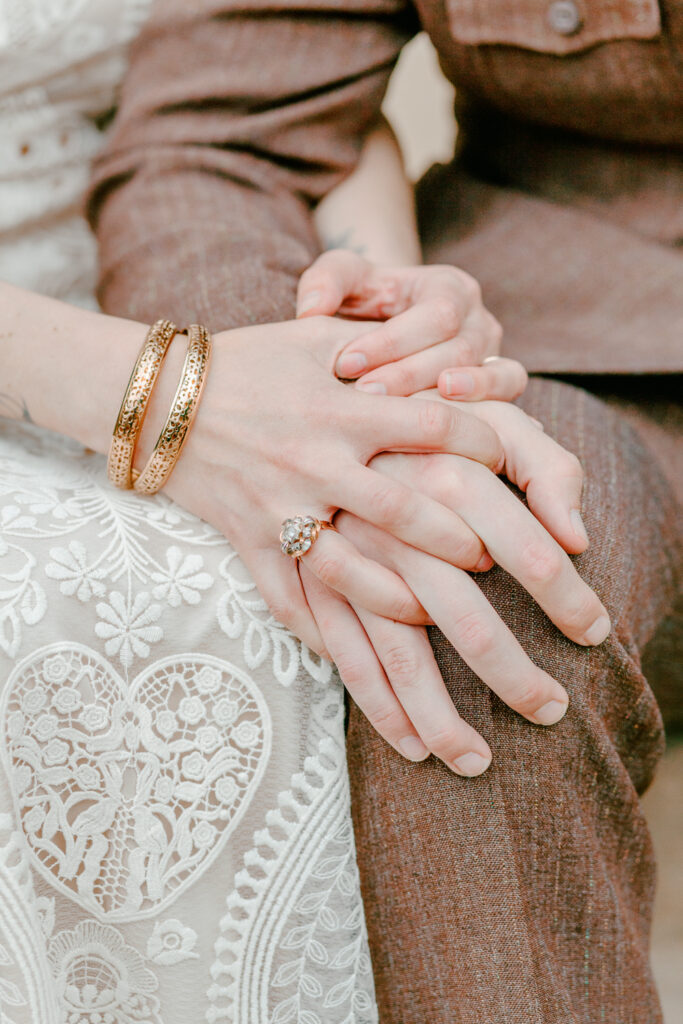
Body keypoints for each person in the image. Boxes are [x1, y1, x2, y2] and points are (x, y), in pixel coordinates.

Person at [0, 4, 609, 1023]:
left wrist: (368, 346)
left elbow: (286, 107)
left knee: (374, 569)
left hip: (193, 294)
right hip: (84, 359)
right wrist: (175, 395)